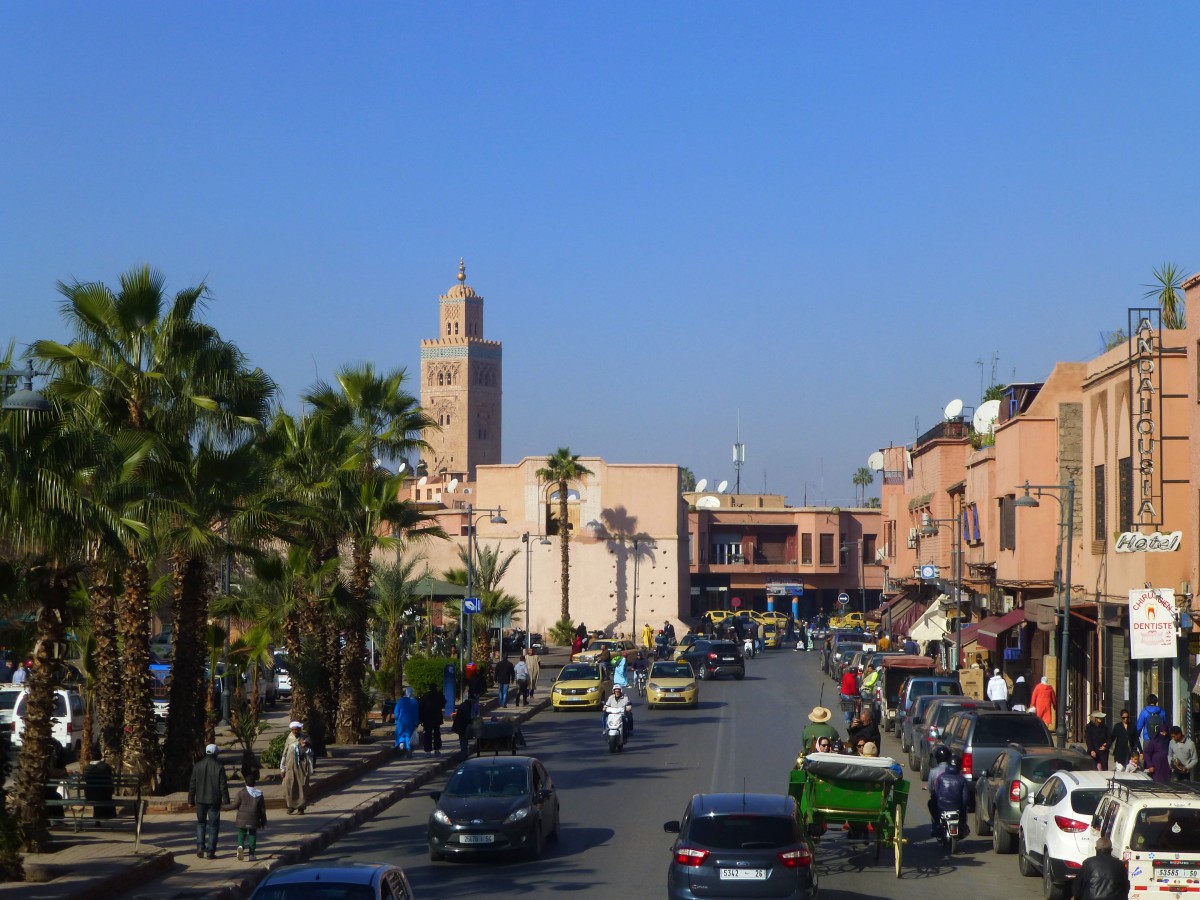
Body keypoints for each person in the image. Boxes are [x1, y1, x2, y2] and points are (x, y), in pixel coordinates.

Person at [188, 743, 229, 859]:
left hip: (200, 800)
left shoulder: (198, 766)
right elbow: (223, 786)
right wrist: (226, 801)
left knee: (201, 823)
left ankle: (200, 847)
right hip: (214, 801)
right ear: (216, 753)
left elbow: (192, 784)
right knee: (213, 826)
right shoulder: (219, 767)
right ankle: (210, 851)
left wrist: (190, 799)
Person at [928, 749, 970, 842]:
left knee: (931, 803)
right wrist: (963, 807)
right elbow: (966, 798)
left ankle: (936, 824)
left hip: (941, 806)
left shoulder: (939, 776)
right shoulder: (962, 779)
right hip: (958, 808)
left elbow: (934, 791)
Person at [226, 769, 267, 862]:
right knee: (252, 834)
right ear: (254, 783)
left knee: (242, 833)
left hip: (242, 819)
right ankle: (252, 854)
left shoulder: (241, 793)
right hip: (254, 819)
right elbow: (262, 809)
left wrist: (222, 806)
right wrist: (263, 821)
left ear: (245, 783)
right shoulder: (259, 794)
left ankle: (240, 846)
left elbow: (234, 805)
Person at [1071, 835, 1129, 900]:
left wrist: (1076, 897)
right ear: (1111, 850)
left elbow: (1078, 885)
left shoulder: (1088, 863)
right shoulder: (1119, 864)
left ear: (1096, 849)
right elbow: (1125, 886)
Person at [281, 721, 313, 814]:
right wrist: (282, 768)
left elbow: (311, 752)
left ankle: (301, 808)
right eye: (293, 730)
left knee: (302, 786)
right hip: (290, 766)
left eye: (296, 729)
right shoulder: (289, 738)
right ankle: (291, 806)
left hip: (301, 767)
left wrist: (305, 747)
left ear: (300, 729)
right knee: (288, 785)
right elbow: (285, 753)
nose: (295, 731)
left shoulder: (305, 738)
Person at [393, 687, 419, 757]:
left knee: (400, 733)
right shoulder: (415, 702)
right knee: (408, 735)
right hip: (411, 721)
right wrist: (416, 723)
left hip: (401, 721)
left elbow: (396, 712)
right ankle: (408, 748)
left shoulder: (400, 701)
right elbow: (416, 713)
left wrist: (396, 718)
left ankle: (401, 743)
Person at [419, 685, 444, 755]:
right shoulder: (439, 695)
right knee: (437, 734)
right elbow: (443, 703)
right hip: (436, 719)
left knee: (427, 735)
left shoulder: (425, 696)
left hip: (427, 719)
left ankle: (428, 751)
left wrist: (421, 720)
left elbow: (421, 707)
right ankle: (437, 750)